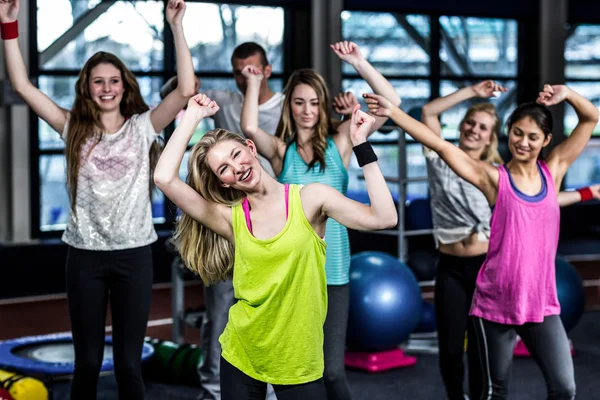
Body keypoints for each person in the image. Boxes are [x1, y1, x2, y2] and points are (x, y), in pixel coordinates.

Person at [0, 0, 196, 398]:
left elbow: (187, 90)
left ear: (124, 86)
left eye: (113, 81)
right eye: (98, 81)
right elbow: (22, 86)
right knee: (87, 364)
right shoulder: (71, 127)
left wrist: (176, 26)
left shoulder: (144, 127)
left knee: (128, 366)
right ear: (87, 88)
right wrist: (8, 27)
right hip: (85, 257)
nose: (106, 88)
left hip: (134, 256)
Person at [153, 93, 397, 400]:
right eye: (223, 169)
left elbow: (385, 218)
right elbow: (163, 177)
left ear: (251, 148)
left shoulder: (311, 199)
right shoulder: (230, 219)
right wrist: (192, 116)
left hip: (298, 358)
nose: (236, 167)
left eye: (236, 154)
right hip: (243, 353)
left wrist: (361, 142)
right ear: (224, 182)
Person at [364, 84, 598, 400]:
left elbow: (590, 118)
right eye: (517, 133)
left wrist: (567, 94)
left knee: (564, 387)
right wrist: (394, 113)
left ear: (546, 141)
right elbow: (441, 146)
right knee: (494, 391)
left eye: (532, 137)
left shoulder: (552, 172)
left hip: (540, 301)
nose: (523, 142)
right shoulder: (493, 178)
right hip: (495, 302)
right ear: (508, 134)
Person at [239, 40, 401, 400]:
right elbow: (250, 126)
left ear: (323, 104)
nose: (307, 110)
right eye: (299, 102)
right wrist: (252, 82)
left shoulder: (341, 140)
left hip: (333, 272)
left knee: (331, 372)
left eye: (314, 102)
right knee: (292, 369)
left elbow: (391, 103)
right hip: (292, 277)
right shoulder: (282, 152)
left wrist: (359, 60)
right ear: (289, 106)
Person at [160, 41, 284, 400]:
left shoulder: (285, 106)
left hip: (274, 220)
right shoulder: (225, 100)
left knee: (274, 311)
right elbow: (175, 92)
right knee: (220, 311)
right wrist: (192, 96)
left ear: (267, 70)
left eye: (253, 70)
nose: (245, 78)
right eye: (239, 71)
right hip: (228, 221)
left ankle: (273, 389)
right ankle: (213, 389)